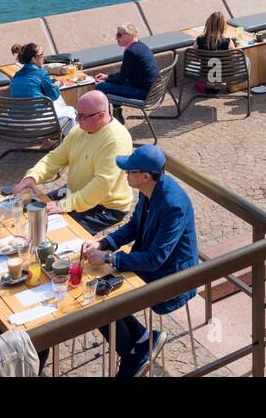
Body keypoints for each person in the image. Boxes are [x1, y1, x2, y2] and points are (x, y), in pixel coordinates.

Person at [82, 144, 198, 378]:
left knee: (100, 299)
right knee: (96, 294)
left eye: (129, 172)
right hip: (150, 264)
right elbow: (135, 226)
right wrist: (103, 243)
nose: (125, 175)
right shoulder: (150, 191)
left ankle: (133, 355)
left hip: (169, 276)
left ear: (145, 176)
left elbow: (156, 259)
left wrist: (109, 258)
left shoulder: (172, 204)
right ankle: (142, 342)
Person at [13, 90, 135, 235]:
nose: (76, 120)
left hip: (105, 207)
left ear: (101, 115)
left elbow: (101, 185)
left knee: (54, 233)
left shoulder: (114, 140)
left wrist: (64, 205)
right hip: (75, 194)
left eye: (82, 117)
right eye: (77, 114)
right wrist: (32, 177)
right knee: (29, 212)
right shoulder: (80, 129)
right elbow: (55, 158)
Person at [9, 41, 77, 134]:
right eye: (41, 54)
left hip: (18, 122)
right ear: (33, 59)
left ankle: (47, 141)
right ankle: (71, 143)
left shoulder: (16, 76)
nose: (43, 57)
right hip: (37, 123)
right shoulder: (41, 73)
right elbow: (54, 96)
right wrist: (56, 86)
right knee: (71, 111)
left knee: (51, 104)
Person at [94, 23, 159, 111]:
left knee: (100, 87)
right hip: (151, 90)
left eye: (119, 35)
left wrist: (106, 79)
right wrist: (107, 77)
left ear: (130, 35)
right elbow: (125, 74)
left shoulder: (131, 52)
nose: (117, 38)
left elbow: (121, 78)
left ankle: (104, 118)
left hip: (143, 92)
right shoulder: (141, 46)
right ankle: (117, 113)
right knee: (112, 83)